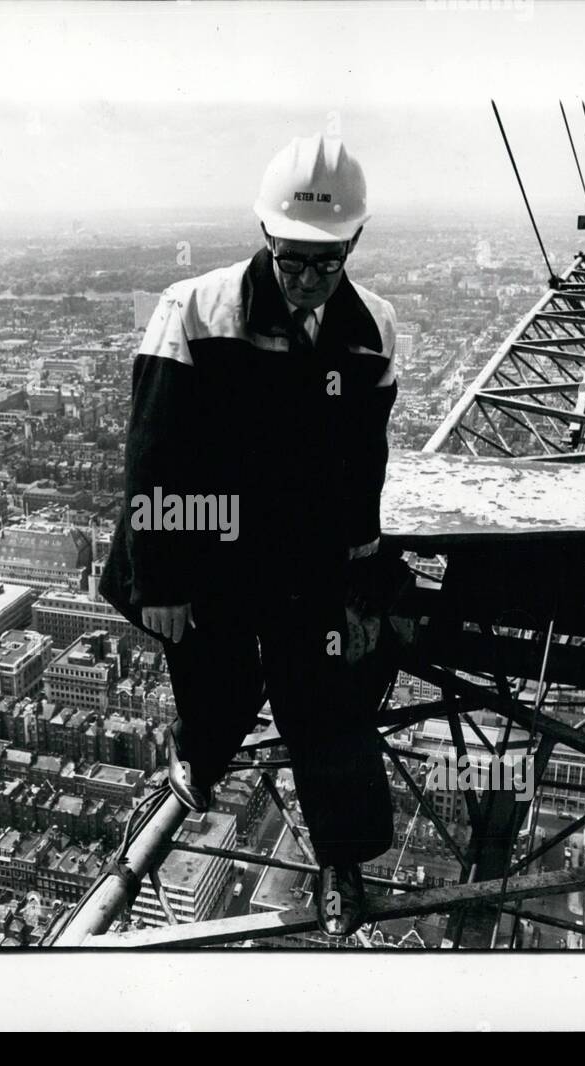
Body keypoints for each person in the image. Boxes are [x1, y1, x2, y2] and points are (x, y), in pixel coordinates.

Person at [100, 134, 399, 937]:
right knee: (216, 674)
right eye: (291, 260)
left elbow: (363, 461)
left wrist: (360, 573)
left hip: (304, 548)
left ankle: (341, 861)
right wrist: (160, 582)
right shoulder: (197, 309)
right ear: (266, 236)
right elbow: (154, 450)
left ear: (353, 244)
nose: (306, 280)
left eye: (325, 262)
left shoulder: (373, 329)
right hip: (209, 539)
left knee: (329, 700)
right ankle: (198, 749)